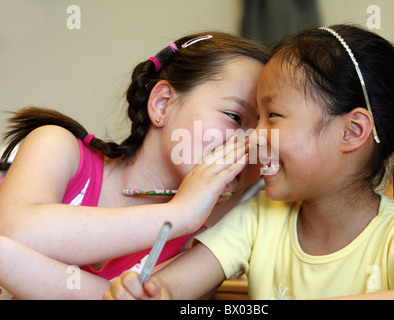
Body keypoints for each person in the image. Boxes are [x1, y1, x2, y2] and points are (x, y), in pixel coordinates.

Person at [105, 24, 394, 300]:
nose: (253, 137)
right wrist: (149, 293)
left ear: (352, 131)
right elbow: (174, 287)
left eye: (273, 115)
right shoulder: (259, 216)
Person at [0, 31, 268, 299]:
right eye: (234, 116)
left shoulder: (202, 249)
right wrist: (178, 215)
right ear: (162, 104)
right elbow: (14, 231)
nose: (248, 145)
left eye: (263, 134)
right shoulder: (58, 146)